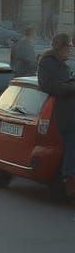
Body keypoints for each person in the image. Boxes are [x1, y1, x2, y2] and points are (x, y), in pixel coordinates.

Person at [37, 33, 75, 199]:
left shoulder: (61, 64)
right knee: (72, 142)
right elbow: (52, 87)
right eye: (69, 46)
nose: (71, 49)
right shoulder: (49, 63)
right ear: (62, 47)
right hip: (60, 114)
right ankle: (70, 178)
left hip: (67, 111)